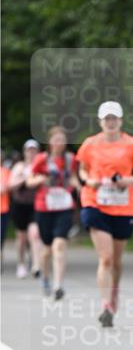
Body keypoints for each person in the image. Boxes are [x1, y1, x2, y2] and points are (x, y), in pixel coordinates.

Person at [77, 101, 133, 326]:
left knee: (117, 261)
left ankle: (114, 293)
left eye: (114, 118)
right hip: (95, 202)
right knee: (106, 257)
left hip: (124, 205)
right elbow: (81, 168)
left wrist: (132, 179)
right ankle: (106, 305)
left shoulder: (132, 144)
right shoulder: (90, 144)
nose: (110, 122)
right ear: (100, 121)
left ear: (120, 121)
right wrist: (87, 179)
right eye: (106, 118)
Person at [27, 126, 79, 299]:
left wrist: (79, 187)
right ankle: (46, 278)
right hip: (44, 207)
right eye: (56, 139)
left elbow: (72, 177)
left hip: (64, 207)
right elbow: (29, 181)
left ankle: (58, 285)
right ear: (50, 142)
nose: (59, 143)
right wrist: (41, 178)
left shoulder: (71, 159)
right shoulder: (42, 159)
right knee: (47, 249)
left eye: (62, 140)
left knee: (60, 245)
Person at [9, 139, 42, 278]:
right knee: (21, 238)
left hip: (35, 205)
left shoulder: (41, 167)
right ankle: (21, 263)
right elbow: (10, 186)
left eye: (34, 150)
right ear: (25, 152)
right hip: (20, 205)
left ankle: (36, 264)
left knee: (35, 234)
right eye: (29, 150)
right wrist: (25, 178)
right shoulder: (19, 167)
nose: (31, 153)